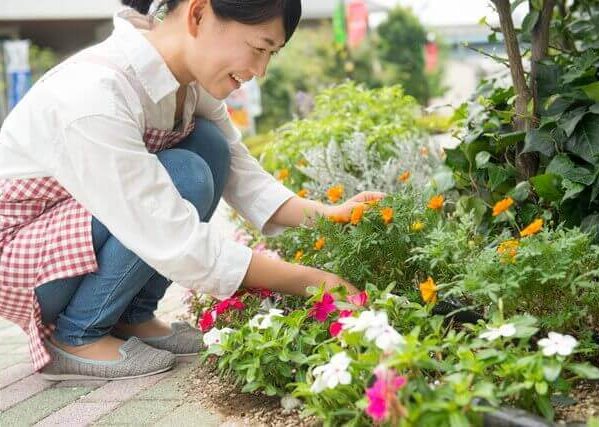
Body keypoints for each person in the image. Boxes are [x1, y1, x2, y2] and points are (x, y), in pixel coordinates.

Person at [0, 0, 385, 381]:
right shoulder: (95, 94)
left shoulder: (187, 83)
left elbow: (242, 174)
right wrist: (314, 282)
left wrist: (327, 214)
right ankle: (76, 335)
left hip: (82, 230)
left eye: (271, 54)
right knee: (184, 173)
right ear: (199, 14)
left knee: (210, 146)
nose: (260, 71)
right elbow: (169, 234)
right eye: (258, 48)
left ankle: (132, 316)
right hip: (25, 260)